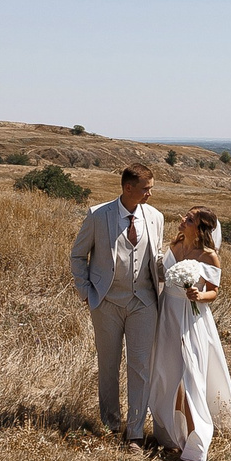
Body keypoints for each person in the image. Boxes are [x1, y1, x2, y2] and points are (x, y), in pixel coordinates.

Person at [69, 165, 166, 446]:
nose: (150, 193)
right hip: (107, 303)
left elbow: (155, 257)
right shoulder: (98, 215)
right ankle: (111, 424)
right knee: (109, 365)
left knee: (140, 367)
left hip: (144, 302)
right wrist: (86, 292)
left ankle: (135, 432)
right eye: (146, 188)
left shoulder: (156, 217)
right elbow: (78, 255)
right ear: (128, 188)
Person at [154, 207, 231, 461]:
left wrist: (198, 296)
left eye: (190, 219)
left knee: (189, 376)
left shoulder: (209, 256)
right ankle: (173, 434)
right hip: (166, 316)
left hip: (190, 320)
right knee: (168, 374)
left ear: (202, 228)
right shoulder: (175, 245)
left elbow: (214, 292)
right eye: (186, 216)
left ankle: (197, 443)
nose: (183, 220)